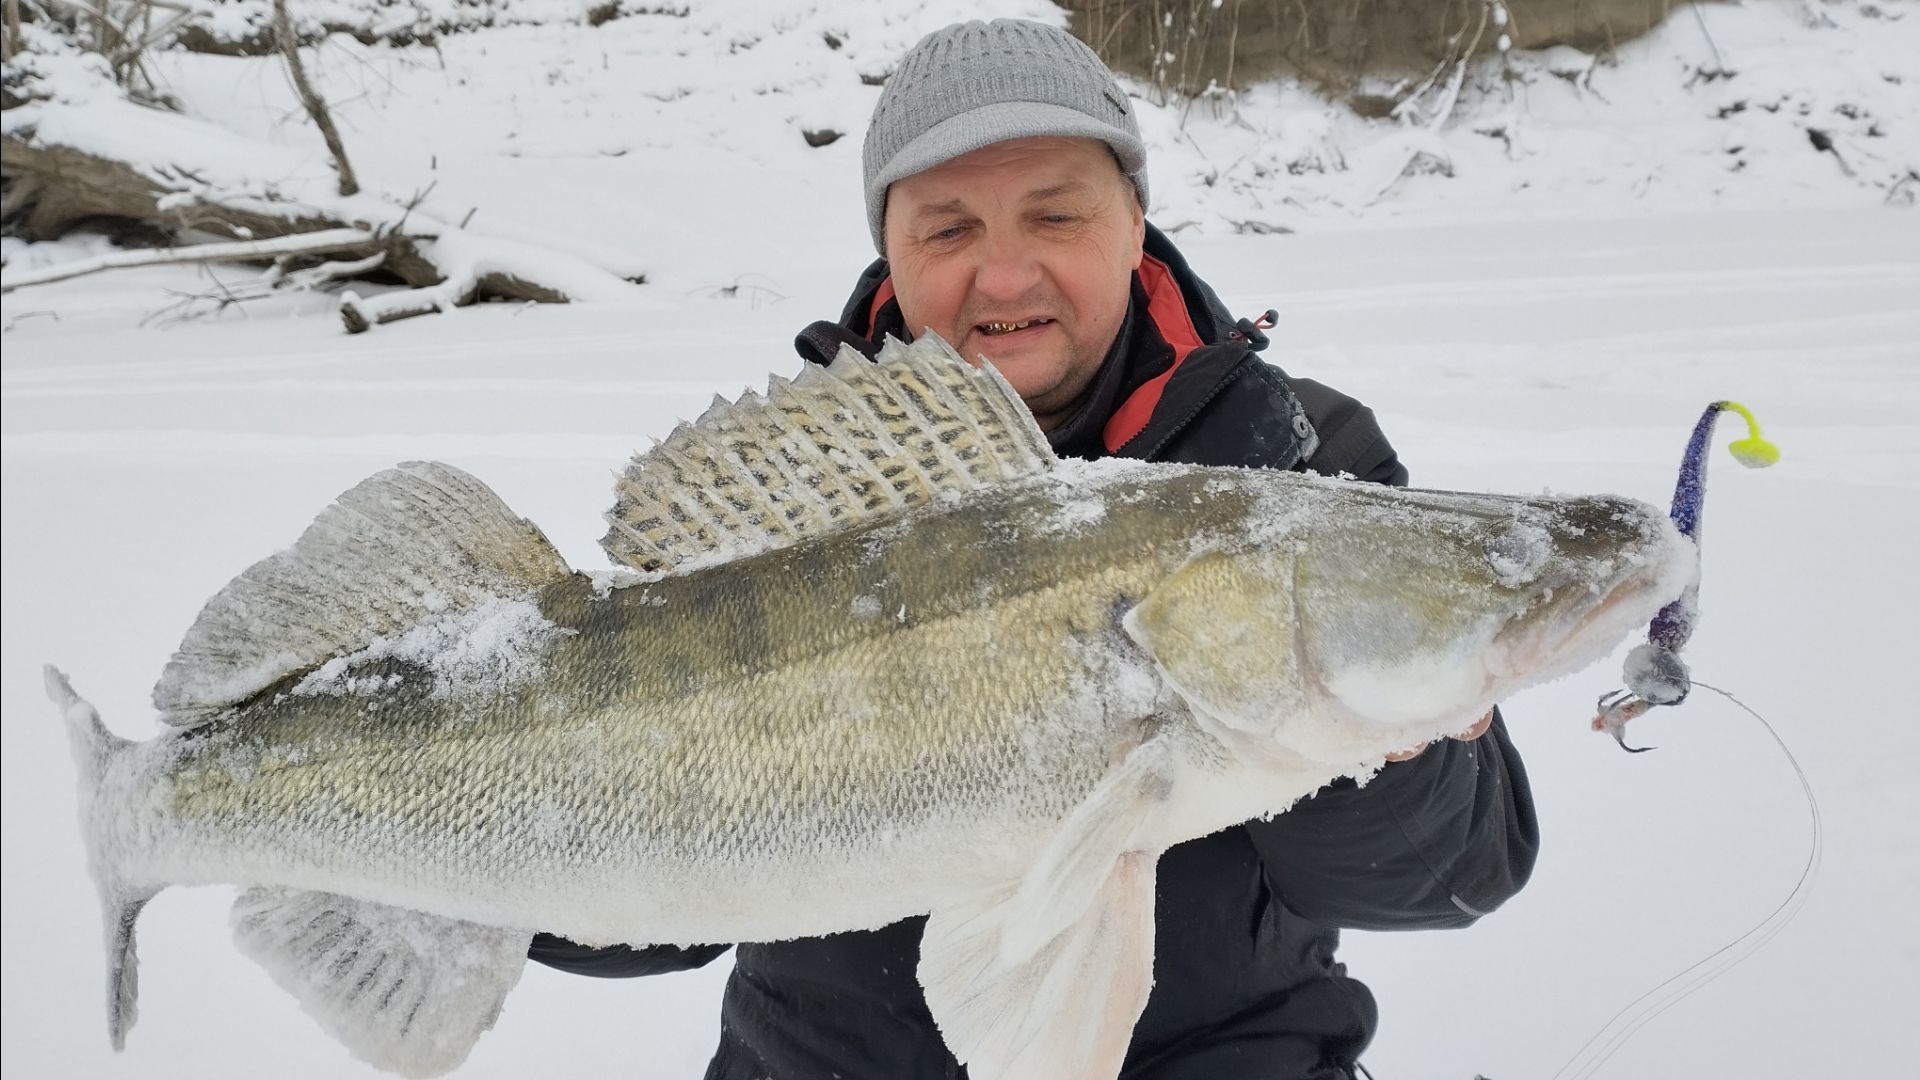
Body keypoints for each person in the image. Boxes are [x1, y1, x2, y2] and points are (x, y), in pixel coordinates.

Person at [532, 18, 1538, 1080]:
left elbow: (1449, 878)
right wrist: (452, 844)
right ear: (891, 248)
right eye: (948, 230)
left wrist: (1384, 729)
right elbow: (653, 931)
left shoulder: (1300, 468)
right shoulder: (778, 511)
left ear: (1135, 220)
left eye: (1055, 215)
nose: (1004, 279)